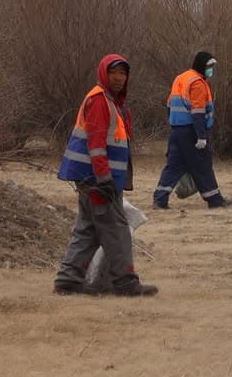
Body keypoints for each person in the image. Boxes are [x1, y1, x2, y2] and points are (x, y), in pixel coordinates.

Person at [53, 54, 158, 297]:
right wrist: (104, 178)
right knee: (116, 229)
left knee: (88, 229)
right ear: (103, 74)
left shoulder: (111, 102)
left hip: (91, 178)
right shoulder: (100, 100)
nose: (119, 78)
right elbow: (96, 144)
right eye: (113, 72)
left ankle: (68, 280)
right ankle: (126, 283)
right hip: (97, 180)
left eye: (123, 73)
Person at [153, 50, 232, 210]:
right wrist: (201, 136)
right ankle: (215, 200)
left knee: (174, 166)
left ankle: (159, 199)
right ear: (201, 65)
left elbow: (169, 105)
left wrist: (174, 125)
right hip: (191, 131)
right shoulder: (197, 83)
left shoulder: (180, 78)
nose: (211, 70)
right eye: (209, 67)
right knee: (202, 165)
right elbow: (198, 112)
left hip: (177, 131)